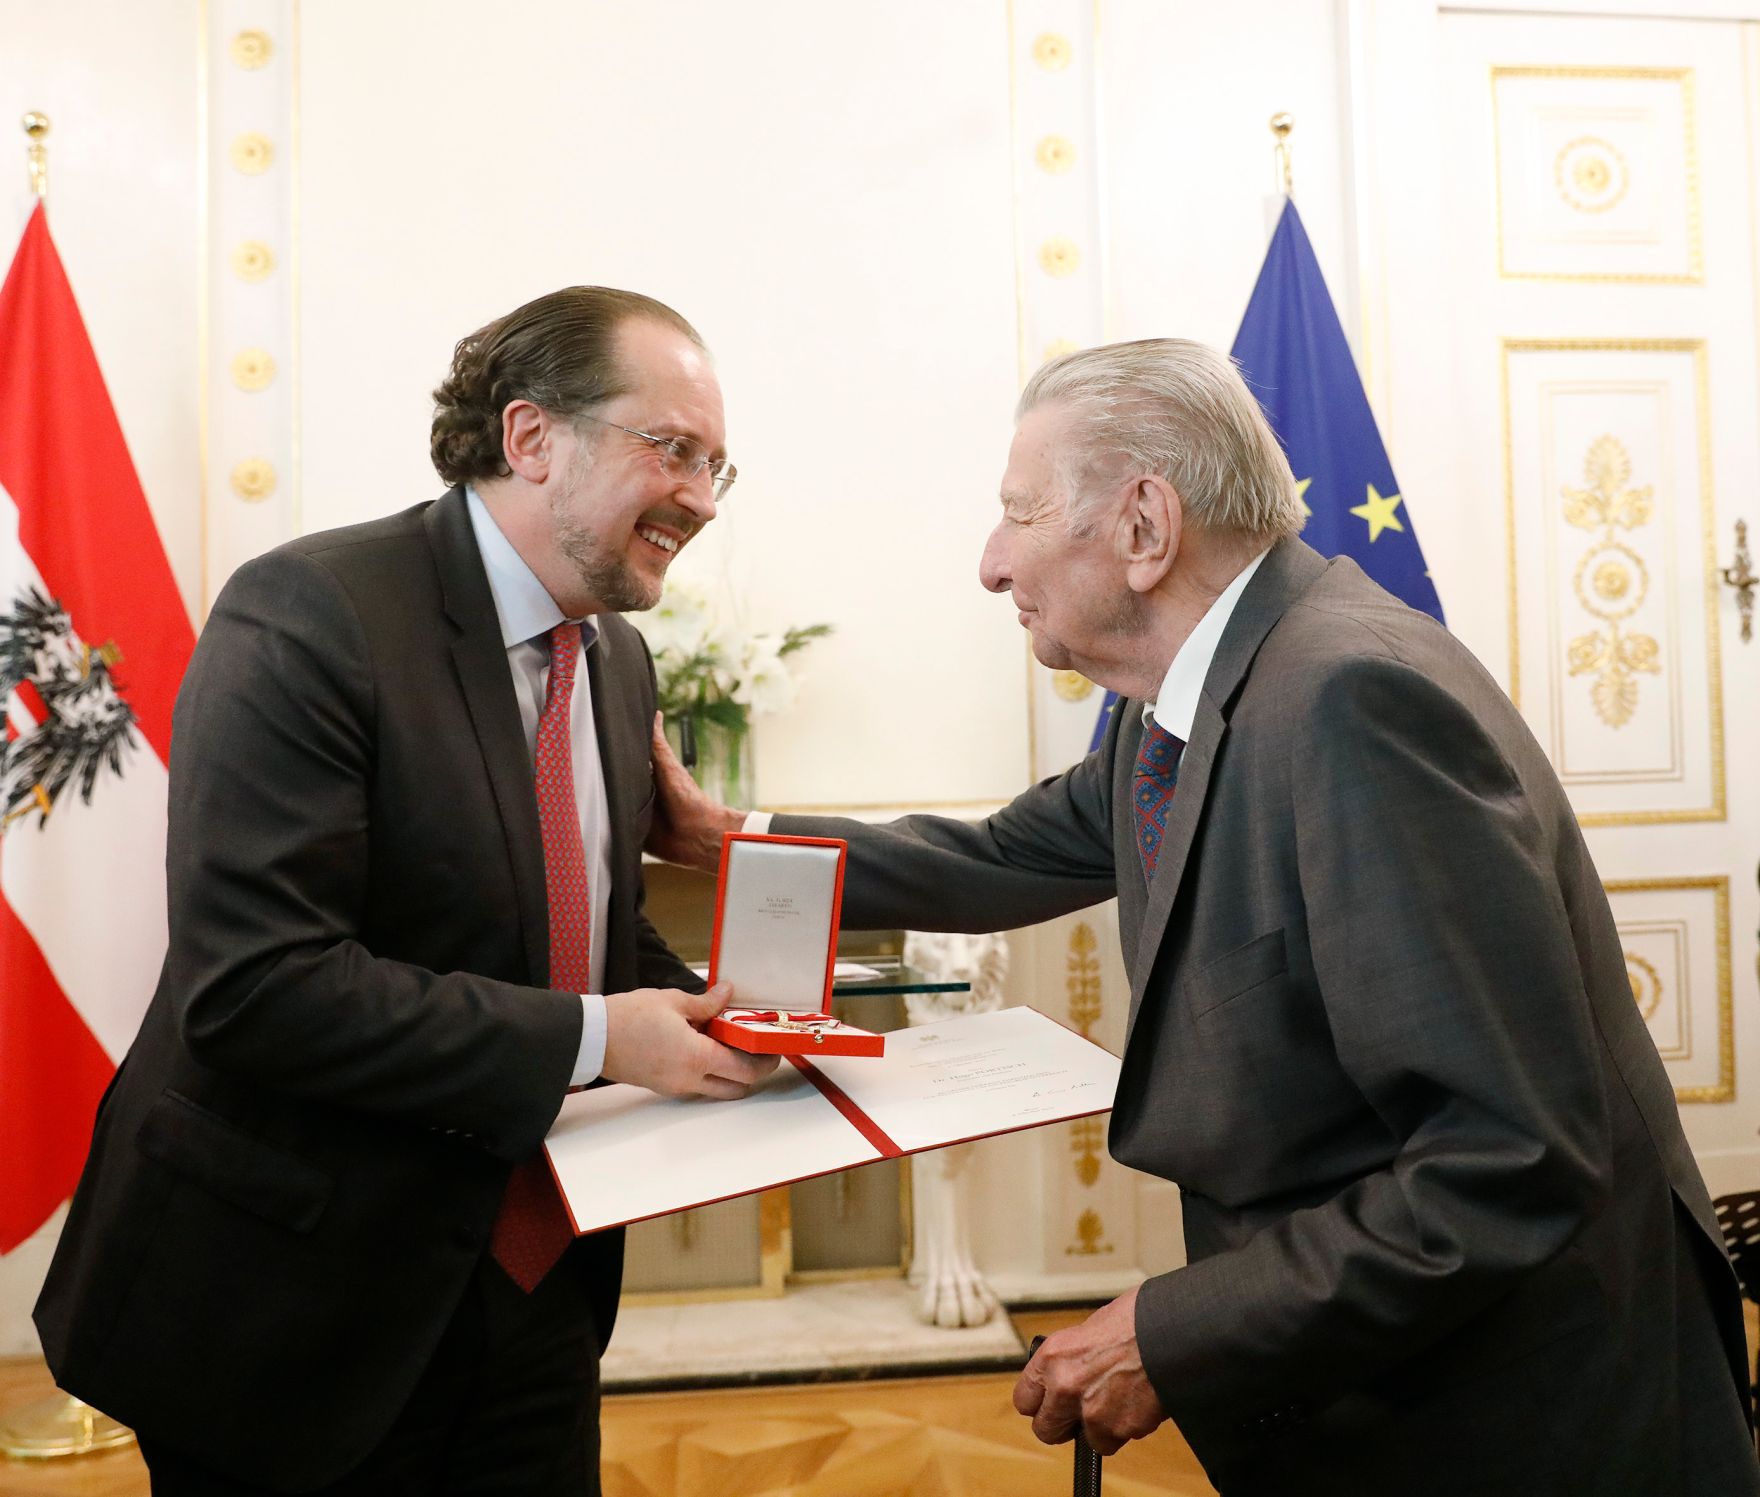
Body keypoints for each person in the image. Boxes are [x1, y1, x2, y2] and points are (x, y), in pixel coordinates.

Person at [647, 338, 1758, 1494]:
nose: (988, 563)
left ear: (1142, 528)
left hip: (1519, 1417)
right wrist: (720, 841)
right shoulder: (1188, 698)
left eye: (1017, 513)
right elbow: (992, 858)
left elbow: (1503, 1157)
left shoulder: (1349, 702)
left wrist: (1172, 1332)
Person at [34, 286, 775, 1495]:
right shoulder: (312, 614)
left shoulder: (622, 660)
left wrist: (734, 1018)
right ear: (532, 437)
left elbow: (589, 931)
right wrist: (605, 1038)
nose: (699, 496)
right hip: (286, 1306)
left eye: (716, 465)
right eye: (672, 449)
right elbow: (258, 988)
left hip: (535, 1287)